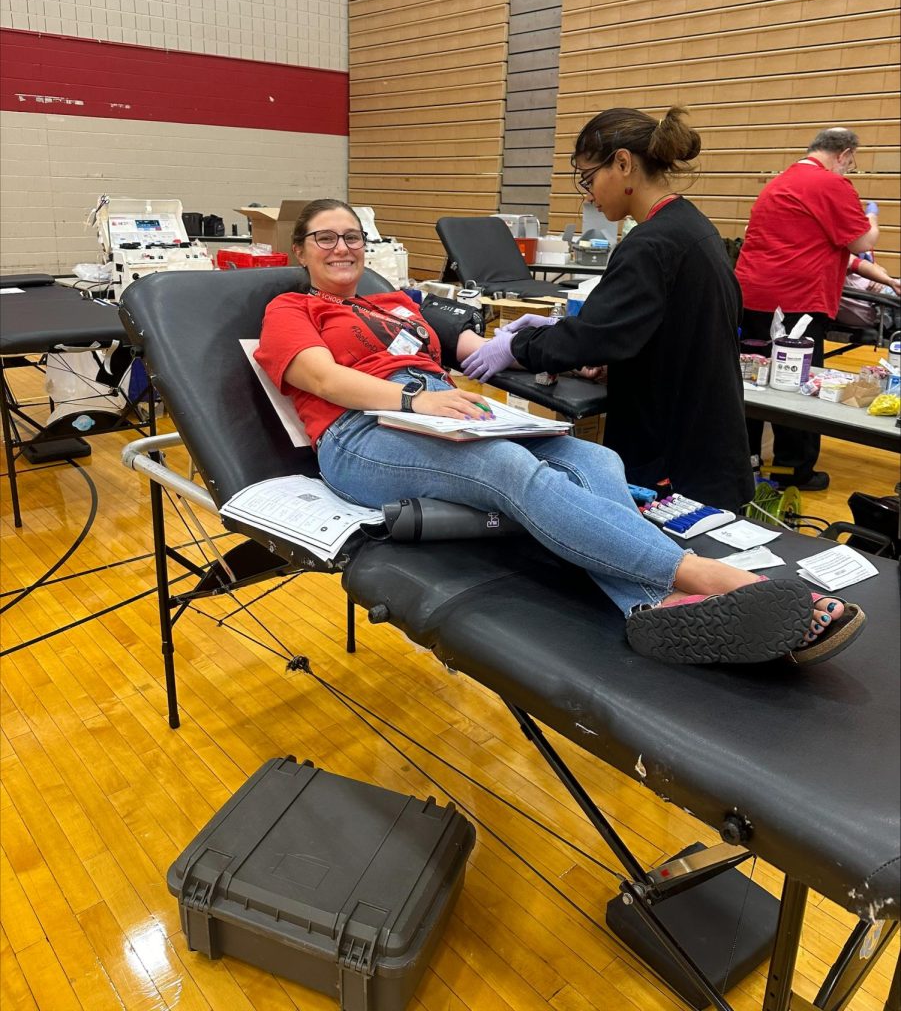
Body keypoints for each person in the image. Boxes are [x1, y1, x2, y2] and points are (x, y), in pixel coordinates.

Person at [254, 198, 865, 667]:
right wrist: (416, 397)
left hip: (444, 412)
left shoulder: (401, 305)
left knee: (596, 462)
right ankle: (708, 579)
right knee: (507, 471)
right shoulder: (293, 309)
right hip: (360, 434)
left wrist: (549, 349)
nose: (342, 247)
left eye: (352, 236)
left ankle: (651, 609)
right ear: (301, 251)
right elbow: (321, 377)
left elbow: (474, 348)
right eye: (325, 238)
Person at [461, 106, 754, 514]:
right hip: (708, 450)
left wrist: (517, 345)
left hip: (676, 463)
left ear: (623, 163)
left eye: (589, 177)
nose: (588, 193)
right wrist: (621, 359)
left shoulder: (651, 244)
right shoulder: (690, 225)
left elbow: (590, 337)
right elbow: (670, 329)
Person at [735, 128, 878, 491]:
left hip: (752, 295)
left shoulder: (779, 183)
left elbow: (812, 246)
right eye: (852, 165)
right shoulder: (831, 185)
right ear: (844, 154)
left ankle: (746, 459)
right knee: (797, 384)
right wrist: (873, 217)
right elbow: (861, 243)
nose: (850, 172)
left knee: (753, 378)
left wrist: (885, 279)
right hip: (797, 301)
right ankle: (793, 471)